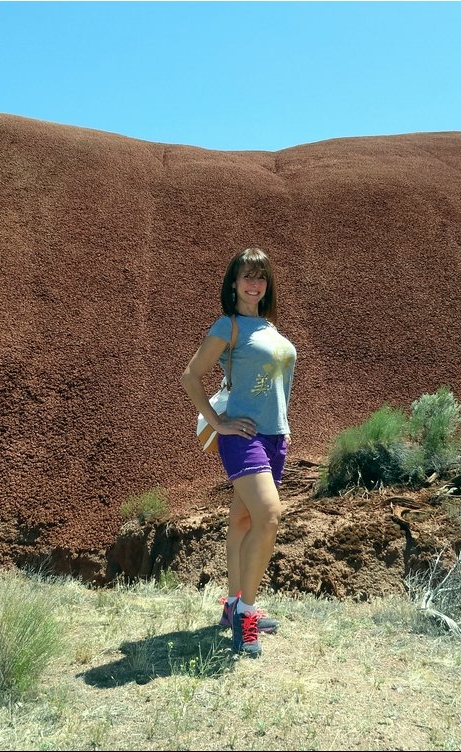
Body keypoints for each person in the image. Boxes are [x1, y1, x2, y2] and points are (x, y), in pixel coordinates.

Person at [181, 247, 297, 657]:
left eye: (261, 277)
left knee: (245, 519)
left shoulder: (270, 328)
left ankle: (232, 605)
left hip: (272, 437)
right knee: (269, 515)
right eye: (247, 276)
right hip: (242, 437)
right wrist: (218, 424)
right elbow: (191, 375)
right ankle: (247, 616)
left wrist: (281, 430)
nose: (254, 283)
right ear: (233, 283)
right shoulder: (228, 326)